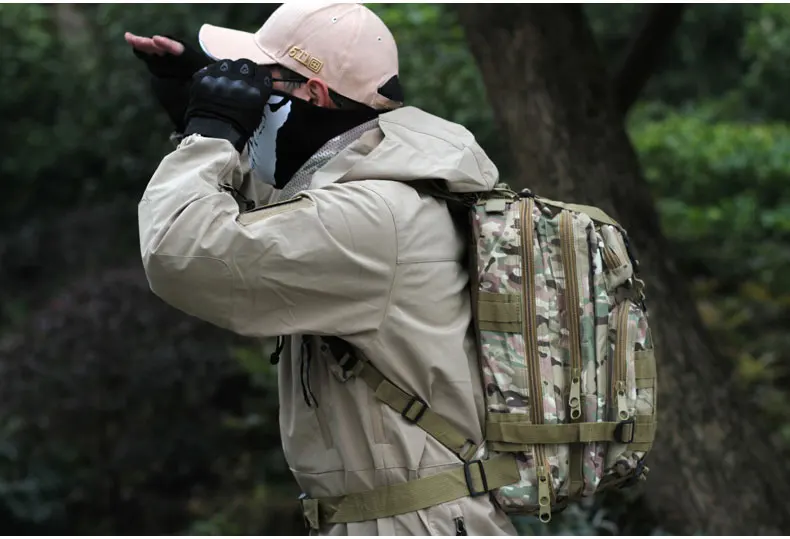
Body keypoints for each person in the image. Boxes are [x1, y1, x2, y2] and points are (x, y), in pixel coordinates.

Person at [129, 2, 518, 536]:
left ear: (312, 94)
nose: (253, 102)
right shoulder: (380, 185)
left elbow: (180, 253)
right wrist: (192, 113)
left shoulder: (373, 217)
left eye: (261, 83)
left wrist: (211, 136)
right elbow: (280, 215)